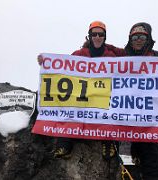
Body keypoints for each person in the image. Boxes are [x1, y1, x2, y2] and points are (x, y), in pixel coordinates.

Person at [106, 22, 158, 180]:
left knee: (150, 159)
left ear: (148, 38)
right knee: (112, 147)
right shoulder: (123, 57)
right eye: (135, 37)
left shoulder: (157, 58)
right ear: (130, 39)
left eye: (142, 37)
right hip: (124, 113)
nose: (138, 40)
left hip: (148, 118)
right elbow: (106, 54)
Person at [38, 21, 118, 161]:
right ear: (89, 36)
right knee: (70, 109)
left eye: (101, 34)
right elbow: (63, 70)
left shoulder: (112, 56)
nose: (97, 37)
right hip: (83, 98)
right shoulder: (79, 54)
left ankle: (109, 142)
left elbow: (133, 63)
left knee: (115, 111)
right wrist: (47, 63)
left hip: (104, 98)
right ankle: (65, 145)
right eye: (94, 34)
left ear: (105, 37)